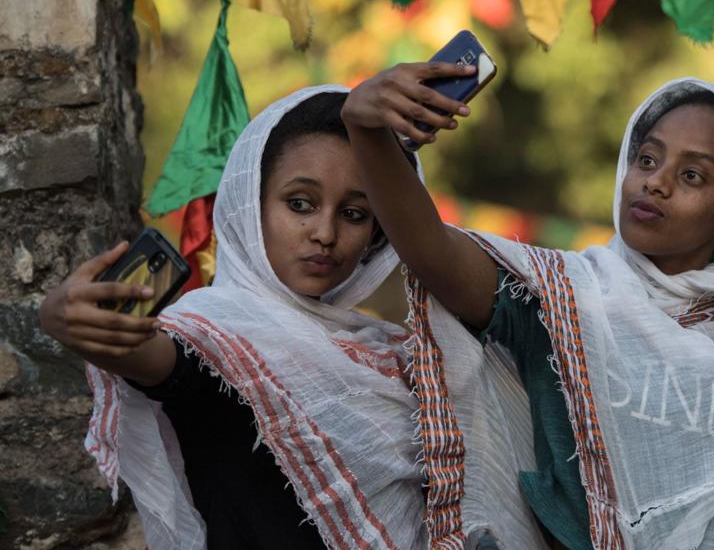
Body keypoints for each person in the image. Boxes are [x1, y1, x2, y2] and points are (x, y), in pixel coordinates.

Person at [339, 63, 714, 549]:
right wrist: (366, 132)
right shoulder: (563, 298)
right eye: (647, 159)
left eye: (692, 176)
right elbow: (433, 252)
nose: (655, 181)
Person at [40, 86, 428, 550]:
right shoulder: (213, 341)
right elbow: (141, 353)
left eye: (353, 213)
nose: (325, 233)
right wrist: (59, 313)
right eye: (299, 204)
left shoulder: (389, 357)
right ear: (251, 203)